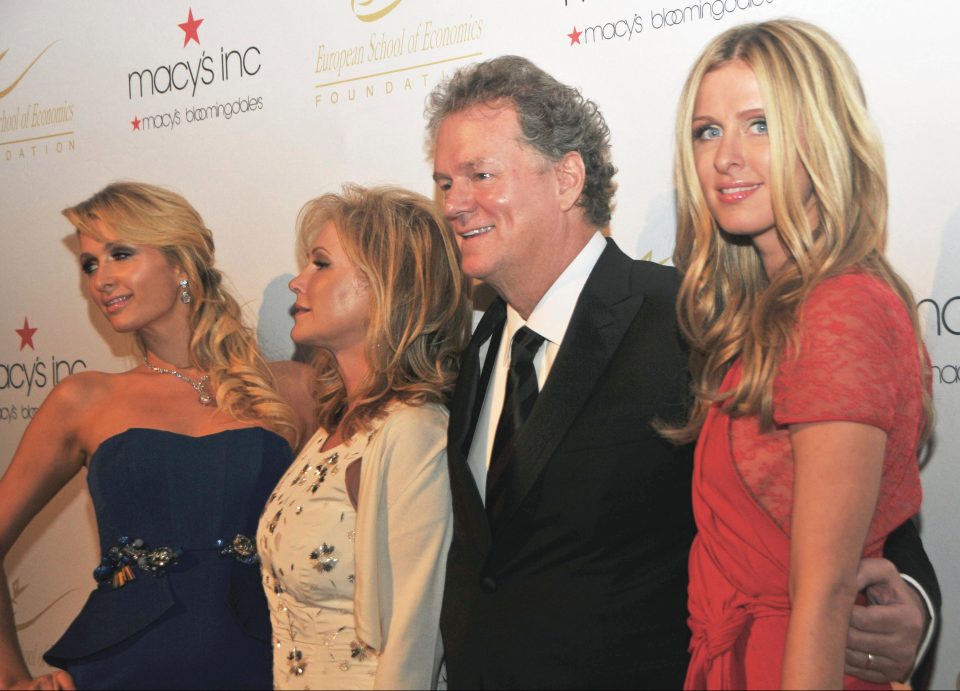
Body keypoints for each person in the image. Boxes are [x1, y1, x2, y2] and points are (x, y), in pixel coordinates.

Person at [426, 54, 939, 689]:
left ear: (566, 179)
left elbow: (841, 495)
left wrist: (914, 600)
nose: (454, 203)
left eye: (479, 174)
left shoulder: (690, 321)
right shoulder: (474, 350)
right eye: (444, 182)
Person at [668, 20, 938, 689]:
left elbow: (821, 594)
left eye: (759, 124)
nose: (726, 156)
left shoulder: (839, 309)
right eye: (708, 131)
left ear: (820, 134)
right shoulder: (762, 315)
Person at [0, 181, 314, 690]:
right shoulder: (83, 400)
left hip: (265, 667)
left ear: (180, 264)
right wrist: (11, 678)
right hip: (119, 673)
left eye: (120, 254)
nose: (100, 279)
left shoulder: (295, 388)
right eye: (89, 264)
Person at [256, 184, 471, 689]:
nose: (297, 282)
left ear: (387, 286)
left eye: (321, 264)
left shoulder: (413, 432)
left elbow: (415, 640)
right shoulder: (332, 425)